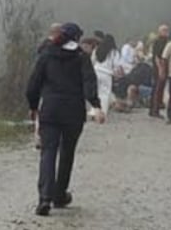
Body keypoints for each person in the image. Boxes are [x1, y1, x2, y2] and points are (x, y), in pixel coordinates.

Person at [26, 22, 105, 216]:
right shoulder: (81, 57)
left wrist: (33, 107)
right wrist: (96, 105)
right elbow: (89, 82)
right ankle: (59, 194)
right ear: (76, 38)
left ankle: (44, 197)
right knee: (67, 152)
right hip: (73, 112)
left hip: (50, 110)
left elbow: (33, 84)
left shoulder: (46, 55)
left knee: (48, 152)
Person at [92, 34, 122, 116]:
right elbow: (116, 65)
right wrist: (117, 74)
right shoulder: (114, 52)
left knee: (96, 93)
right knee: (105, 94)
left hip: (96, 71)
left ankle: (94, 111)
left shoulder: (97, 49)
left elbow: (93, 61)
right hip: (107, 74)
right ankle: (102, 113)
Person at [149, 24, 170, 118]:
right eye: (164, 30)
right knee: (157, 90)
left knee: (160, 89)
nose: (166, 32)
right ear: (159, 32)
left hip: (164, 68)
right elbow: (157, 57)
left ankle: (157, 107)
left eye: (166, 30)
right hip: (158, 69)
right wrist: (160, 69)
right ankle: (154, 110)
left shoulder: (166, 41)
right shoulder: (159, 42)